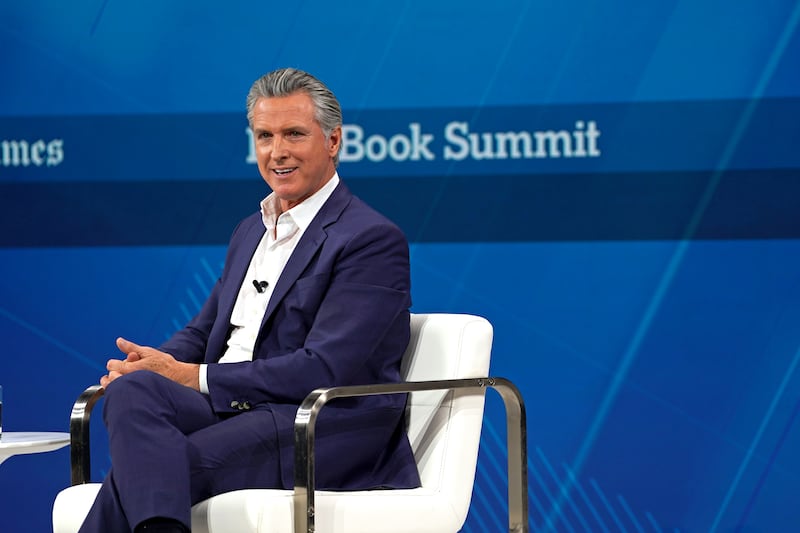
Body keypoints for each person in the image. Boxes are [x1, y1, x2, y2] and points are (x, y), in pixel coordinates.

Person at [78, 67, 420, 533]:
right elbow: (204, 331)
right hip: (234, 405)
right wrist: (153, 364)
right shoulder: (250, 229)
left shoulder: (370, 239)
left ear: (333, 141)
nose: (277, 152)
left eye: (294, 134)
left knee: (161, 468)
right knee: (131, 392)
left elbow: (323, 367)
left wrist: (190, 376)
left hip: (316, 420)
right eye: (265, 136)